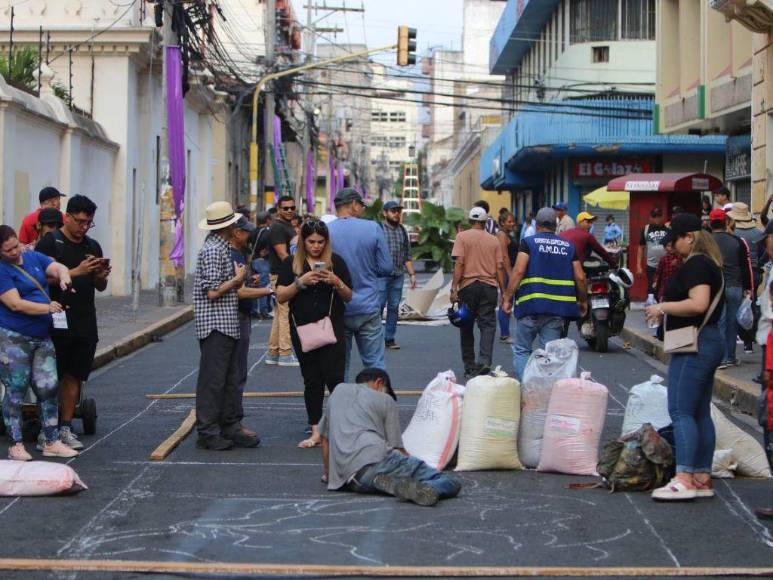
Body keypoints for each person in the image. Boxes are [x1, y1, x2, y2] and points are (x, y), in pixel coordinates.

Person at [644, 213, 724, 501]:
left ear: (689, 238)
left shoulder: (697, 265)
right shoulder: (709, 263)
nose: (670, 246)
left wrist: (662, 307)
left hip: (695, 344)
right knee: (699, 411)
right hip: (708, 341)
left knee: (681, 410)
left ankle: (684, 478)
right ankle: (701, 477)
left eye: (674, 240)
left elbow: (698, 303)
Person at [319, 367, 461, 507]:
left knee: (374, 474)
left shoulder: (338, 391)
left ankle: (387, 482)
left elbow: (324, 440)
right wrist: (415, 463)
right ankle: (427, 487)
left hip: (350, 478)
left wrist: (329, 475)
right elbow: (397, 448)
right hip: (375, 459)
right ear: (379, 383)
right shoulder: (386, 399)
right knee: (450, 482)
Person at [35, 194, 109, 450]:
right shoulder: (50, 243)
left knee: (75, 375)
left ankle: (65, 427)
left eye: (89, 223)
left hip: (84, 319)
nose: (84, 227)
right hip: (54, 317)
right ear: (67, 217)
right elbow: (39, 279)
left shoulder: (92, 246)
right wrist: (76, 271)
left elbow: (100, 286)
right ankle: (47, 429)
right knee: (50, 376)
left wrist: (100, 275)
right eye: (80, 221)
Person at [0, 225, 77, 460]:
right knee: (16, 389)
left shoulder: (33, 257)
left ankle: (51, 440)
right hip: (14, 338)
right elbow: (15, 304)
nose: (15, 252)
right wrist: (48, 308)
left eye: (16, 246)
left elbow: (57, 267)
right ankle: (15, 444)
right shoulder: (2, 270)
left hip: (42, 337)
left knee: (49, 387)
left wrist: (64, 277)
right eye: (8, 250)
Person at [276, 220, 352, 448]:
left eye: (320, 242)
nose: (316, 246)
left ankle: (338, 429)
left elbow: (349, 296)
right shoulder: (291, 263)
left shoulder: (336, 262)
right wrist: (301, 282)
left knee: (335, 379)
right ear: (303, 241)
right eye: (311, 242)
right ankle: (316, 430)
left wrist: (336, 281)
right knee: (312, 380)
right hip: (302, 329)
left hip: (332, 327)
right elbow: (280, 296)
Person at [192, 201, 258, 451]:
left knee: (229, 378)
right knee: (213, 381)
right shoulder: (213, 250)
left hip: (225, 322)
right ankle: (208, 431)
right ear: (228, 226)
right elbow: (212, 292)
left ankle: (228, 426)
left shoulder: (221, 248)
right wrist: (237, 280)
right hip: (215, 324)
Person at [503, 207, 588, 380]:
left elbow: (518, 271)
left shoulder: (528, 243)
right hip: (556, 311)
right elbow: (580, 277)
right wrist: (583, 300)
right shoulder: (568, 247)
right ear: (555, 226)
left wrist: (507, 298)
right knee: (549, 354)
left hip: (530, 306)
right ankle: (543, 390)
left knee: (522, 350)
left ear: (537, 225)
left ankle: (526, 388)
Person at [328, 189, 393, 379]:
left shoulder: (326, 230)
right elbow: (387, 267)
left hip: (338, 307)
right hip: (368, 306)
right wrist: (369, 270)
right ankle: (377, 397)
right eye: (362, 205)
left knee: (340, 366)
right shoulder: (372, 228)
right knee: (375, 365)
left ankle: (341, 398)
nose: (363, 209)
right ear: (354, 205)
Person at [230, 215, 274, 438]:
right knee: (235, 373)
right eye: (247, 232)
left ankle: (232, 420)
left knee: (237, 372)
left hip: (242, 316)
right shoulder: (231, 254)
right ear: (237, 233)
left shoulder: (240, 253)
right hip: (235, 318)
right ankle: (232, 422)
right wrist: (268, 290)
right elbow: (237, 292)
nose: (250, 236)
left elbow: (241, 286)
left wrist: (250, 281)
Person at [450, 206, 507, 380]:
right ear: (485, 222)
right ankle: (484, 361)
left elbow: (459, 263)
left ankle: (469, 367)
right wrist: (504, 292)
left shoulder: (462, 237)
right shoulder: (494, 240)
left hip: (467, 287)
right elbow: (499, 267)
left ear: (470, 221)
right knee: (488, 325)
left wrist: (454, 288)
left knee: (466, 326)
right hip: (488, 287)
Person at [709, 209, 752, 369]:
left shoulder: (706, 242)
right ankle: (730, 357)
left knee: (719, 322)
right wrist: (748, 287)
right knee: (732, 322)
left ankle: (720, 359)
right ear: (726, 222)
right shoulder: (738, 241)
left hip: (715, 287)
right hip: (735, 285)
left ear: (710, 223)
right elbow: (745, 266)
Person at [266, 196, 299, 367]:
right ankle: (285, 353)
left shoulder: (287, 225)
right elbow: (283, 254)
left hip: (283, 275)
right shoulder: (278, 227)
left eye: (292, 207)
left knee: (280, 314)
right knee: (285, 314)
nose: (289, 210)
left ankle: (273, 353)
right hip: (282, 276)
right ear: (278, 209)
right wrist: (298, 270)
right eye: (285, 208)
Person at [379, 201, 417, 350]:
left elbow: (407, 255)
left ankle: (389, 338)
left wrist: (412, 274)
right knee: (378, 307)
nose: (396, 214)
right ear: (385, 213)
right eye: (393, 211)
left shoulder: (402, 230)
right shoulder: (378, 229)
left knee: (394, 307)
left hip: (398, 276)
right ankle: (375, 339)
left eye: (398, 211)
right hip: (381, 275)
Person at [728, 202, 762, 354]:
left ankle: (739, 336)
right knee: (750, 305)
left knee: (736, 306)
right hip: (756, 272)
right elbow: (764, 253)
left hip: (739, 273)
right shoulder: (758, 233)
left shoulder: (734, 234)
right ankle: (749, 340)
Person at [496, 211, 518, 344]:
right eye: (509, 221)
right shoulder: (502, 235)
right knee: (506, 300)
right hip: (506, 273)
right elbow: (504, 257)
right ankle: (504, 334)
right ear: (502, 222)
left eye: (513, 221)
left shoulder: (507, 234)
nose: (512, 223)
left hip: (510, 272)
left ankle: (505, 333)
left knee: (507, 300)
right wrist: (510, 275)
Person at [637, 207, 669, 295]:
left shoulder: (667, 228)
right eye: (654, 216)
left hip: (666, 264)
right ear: (651, 217)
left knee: (665, 288)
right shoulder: (646, 229)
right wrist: (638, 266)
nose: (657, 218)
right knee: (652, 289)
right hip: (651, 265)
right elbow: (641, 248)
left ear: (662, 216)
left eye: (659, 216)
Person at [249, 211, 273, 319]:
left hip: (254, 260)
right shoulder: (267, 232)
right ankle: (263, 310)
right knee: (263, 286)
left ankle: (254, 309)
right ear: (267, 220)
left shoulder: (253, 231)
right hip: (263, 261)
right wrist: (266, 251)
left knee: (254, 284)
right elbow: (267, 243)